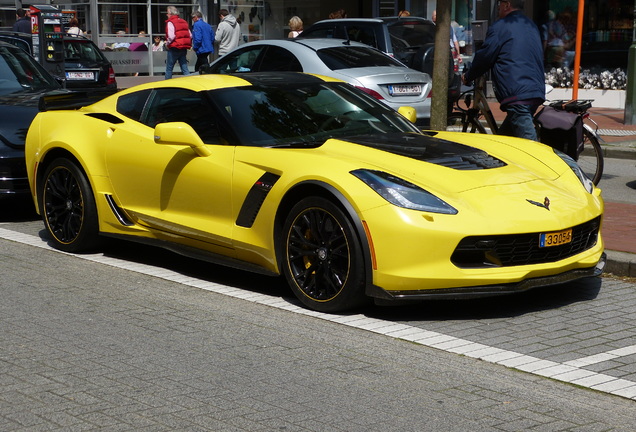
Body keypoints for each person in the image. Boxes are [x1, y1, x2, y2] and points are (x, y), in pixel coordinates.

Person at [462, 0, 545, 141]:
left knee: (532, 149)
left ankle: (549, 163)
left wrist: (469, 75)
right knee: (504, 142)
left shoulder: (501, 27)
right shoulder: (530, 25)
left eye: (500, 3)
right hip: (535, 89)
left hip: (517, 93)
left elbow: (485, 56)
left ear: (507, 5)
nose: (498, 7)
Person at [164, 5, 192, 79]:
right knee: (184, 67)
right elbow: (190, 35)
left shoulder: (170, 22)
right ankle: (189, 82)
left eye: (167, 13)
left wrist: (167, 43)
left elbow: (171, 36)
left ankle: (167, 85)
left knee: (169, 68)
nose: (166, 15)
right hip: (183, 47)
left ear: (171, 14)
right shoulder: (184, 22)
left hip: (174, 47)